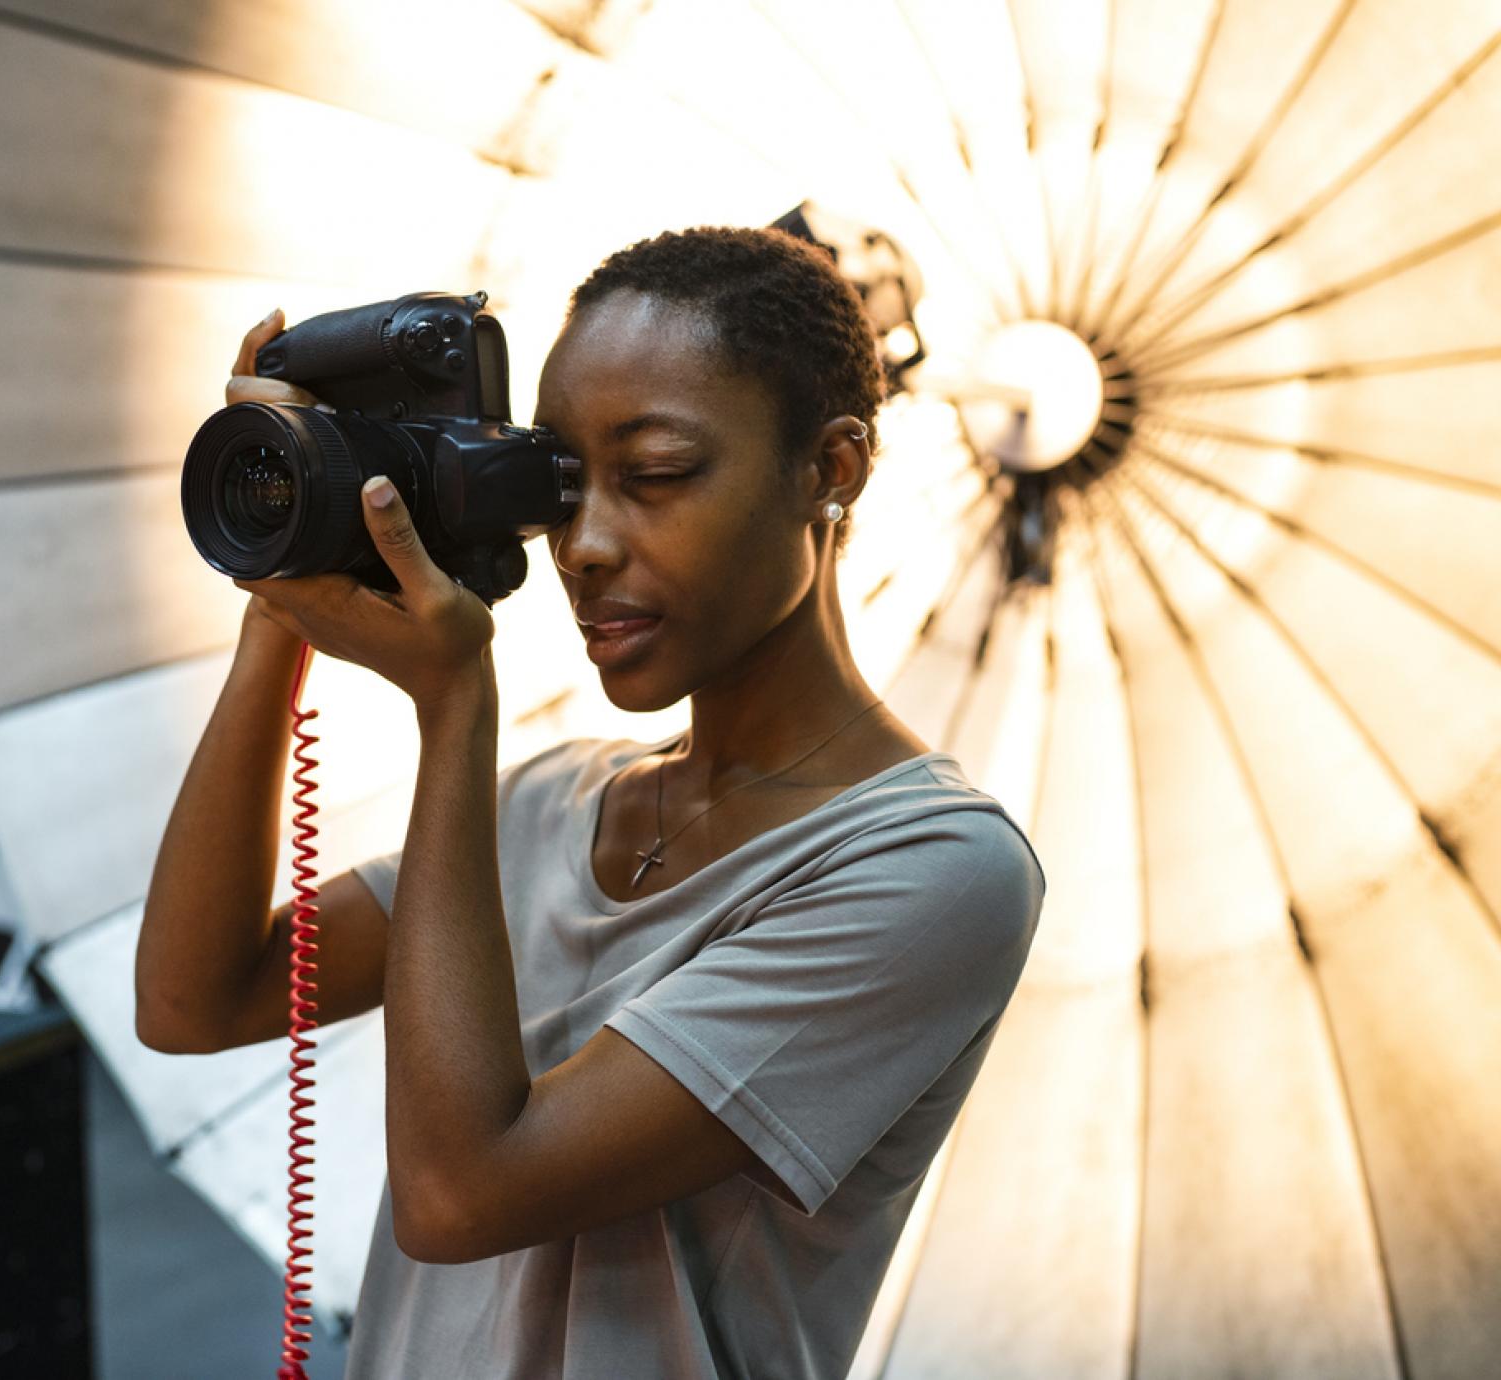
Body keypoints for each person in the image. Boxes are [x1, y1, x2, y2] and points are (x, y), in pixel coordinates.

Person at [137, 226, 1046, 1379]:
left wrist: (453, 704)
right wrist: (280, 597)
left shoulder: (931, 870)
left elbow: (460, 1193)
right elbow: (189, 997)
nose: (585, 546)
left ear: (831, 470)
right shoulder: (546, 806)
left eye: (656, 475)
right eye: (559, 484)